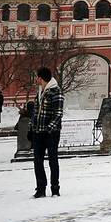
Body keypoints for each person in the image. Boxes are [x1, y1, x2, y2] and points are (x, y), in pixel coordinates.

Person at [31, 66, 64, 198]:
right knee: (37, 161)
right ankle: (40, 188)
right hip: (38, 132)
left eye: (36, 77)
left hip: (51, 133)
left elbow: (58, 113)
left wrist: (49, 128)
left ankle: (55, 188)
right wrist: (31, 127)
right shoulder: (40, 91)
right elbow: (35, 112)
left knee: (52, 161)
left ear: (41, 78)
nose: (35, 79)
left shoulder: (56, 91)